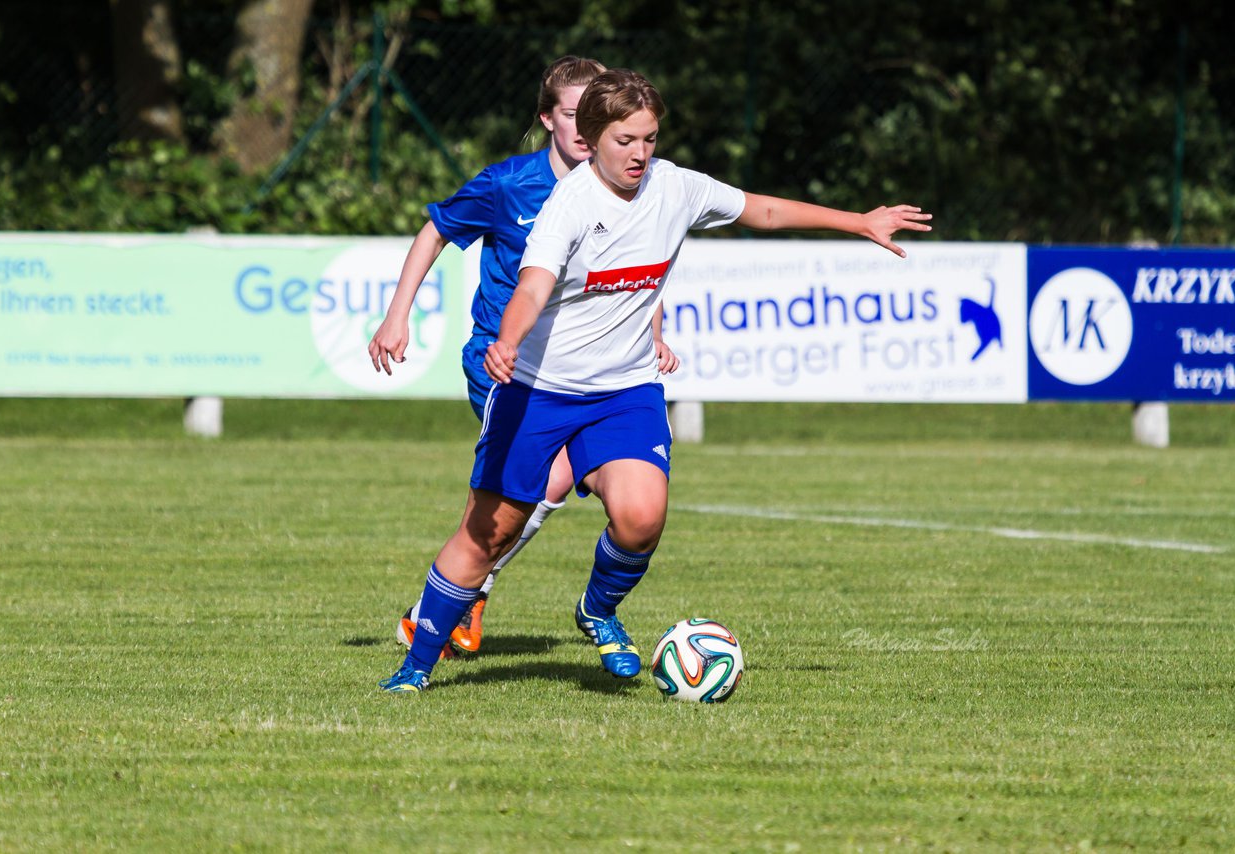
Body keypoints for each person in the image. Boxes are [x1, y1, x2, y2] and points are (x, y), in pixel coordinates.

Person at [379, 68, 932, 693]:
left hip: (624, 390)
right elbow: (532, 284)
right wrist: (507, 341)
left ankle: (596, 609)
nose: (641, 152)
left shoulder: (675, 188)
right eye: (625, 140)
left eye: (649, 137)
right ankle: (415, 668)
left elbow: (764, 209)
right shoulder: (569, 205)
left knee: (642, 516)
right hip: (540, 389)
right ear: (593, 138)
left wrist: (858, 222)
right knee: (491, 531)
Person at [368, 57, 681, 659]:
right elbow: (436, 229)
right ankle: (468, 588)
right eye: (571, 115)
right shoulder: (510, 183)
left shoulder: (626, 187)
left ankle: (462, 591)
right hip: (504, 362)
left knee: (597, 491)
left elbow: (634, 276)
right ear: (548, 119)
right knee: (550, 476)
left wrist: (652, 335)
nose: (585, 129)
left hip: (584, 375)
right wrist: (397, 313)